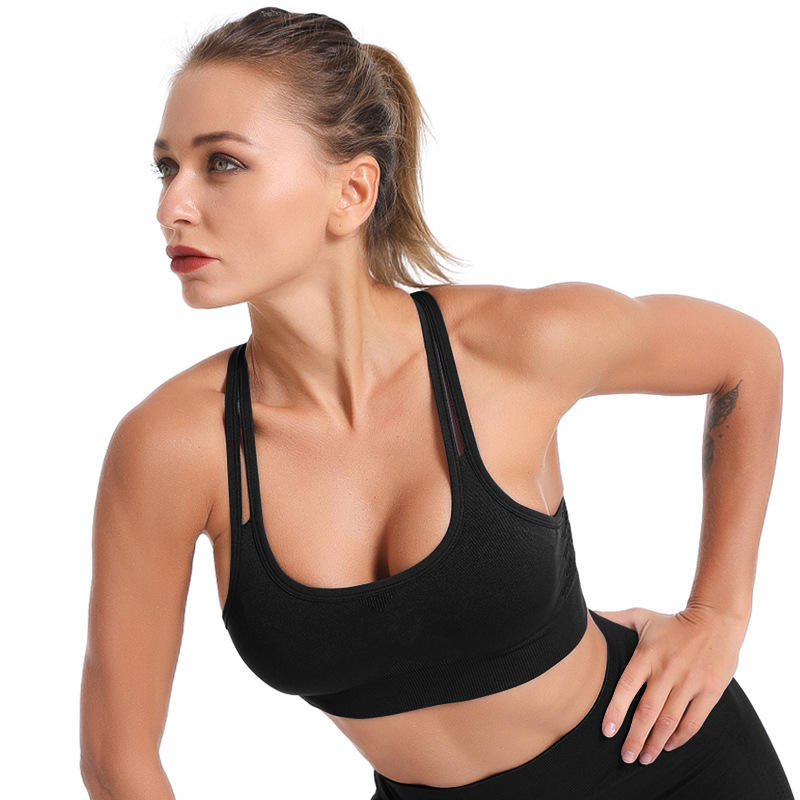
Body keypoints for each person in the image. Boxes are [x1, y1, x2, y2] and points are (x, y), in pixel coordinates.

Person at [79, 7, 794, 799]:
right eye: (166, 167)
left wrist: (718, 616)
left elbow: (745, 358)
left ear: (352, 191)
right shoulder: (173, 447)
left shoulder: (514, 345)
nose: (172, 206)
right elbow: (117, 762)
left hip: (668, 768)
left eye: (222, 164)